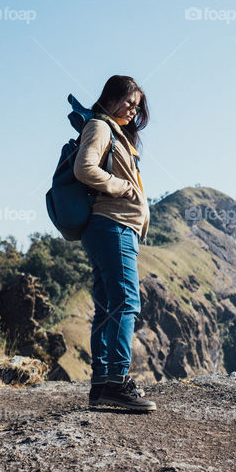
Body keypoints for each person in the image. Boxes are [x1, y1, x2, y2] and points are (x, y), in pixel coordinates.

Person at [73, 75, 156, 412]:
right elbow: (84, 168)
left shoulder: (113, 131)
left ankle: (101, 385)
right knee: (126, 303)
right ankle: (118, 382)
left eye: (136, 107)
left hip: (113, 228)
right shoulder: (100, 127)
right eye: (127, 102)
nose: (131, 110)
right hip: (113, 226)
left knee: (109, 307)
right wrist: (121, 187)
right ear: (108, 97)